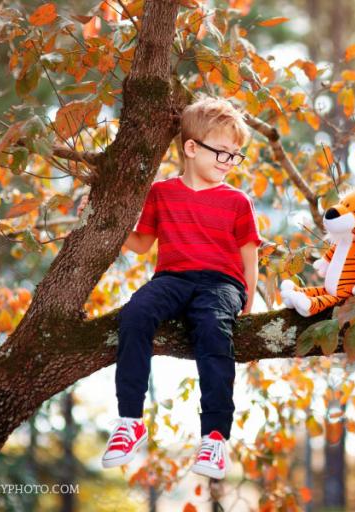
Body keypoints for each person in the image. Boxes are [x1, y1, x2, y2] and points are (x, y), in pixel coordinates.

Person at [81, 95, 261, 479]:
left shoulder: (237, 201)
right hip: (172, 279)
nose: (229, 162)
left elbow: (249, 254)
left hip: (221, 284)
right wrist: (101, 221)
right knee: (135, 315)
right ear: (192, 148)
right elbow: (143, 243)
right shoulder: (162, 193)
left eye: (235, 155)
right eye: (222, 153)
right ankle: (130, 421)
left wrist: (246, 297)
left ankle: (214, 437)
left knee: (213, 331)